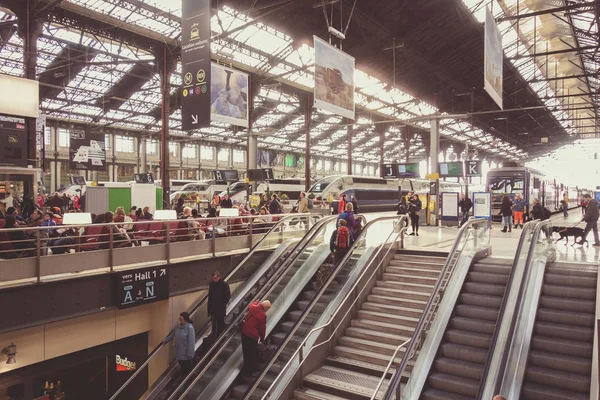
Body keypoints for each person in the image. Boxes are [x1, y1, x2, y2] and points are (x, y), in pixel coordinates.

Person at [241, 300, 271, 376]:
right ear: (266, 308)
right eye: (267, 309)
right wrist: (262, 339)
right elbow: (262, 329)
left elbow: (251, 305)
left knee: (246, 352)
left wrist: (256, 302)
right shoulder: (262, 315)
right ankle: (252, 371)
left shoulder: (253, 307)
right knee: (252, 354)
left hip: (244, 333)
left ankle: (246, 370)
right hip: (252, 336)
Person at [163, 312, 196, 378]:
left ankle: (187, 384)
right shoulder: (178, 326)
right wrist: (165, 340)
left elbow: (191, 342)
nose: (180, 320)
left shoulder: (190, 328)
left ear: (185, 320)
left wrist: (190, 355)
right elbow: (173, 334)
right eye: (179, 319)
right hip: (179, 354)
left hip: (187, 356)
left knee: (186, 371)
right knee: (182, 369)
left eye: (181, 319)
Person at [207, 271, 231, 339]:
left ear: (219, 277)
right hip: (213, 309)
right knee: (213, 324)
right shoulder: (211, 284)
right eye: (213, 278)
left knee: (220, 323)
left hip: (220, 308)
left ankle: (220, 337)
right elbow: (210, 296)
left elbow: (227, 296)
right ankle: (214, 337)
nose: (214, 280)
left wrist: (223, 303)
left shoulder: (224, 285)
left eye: (215, 278)